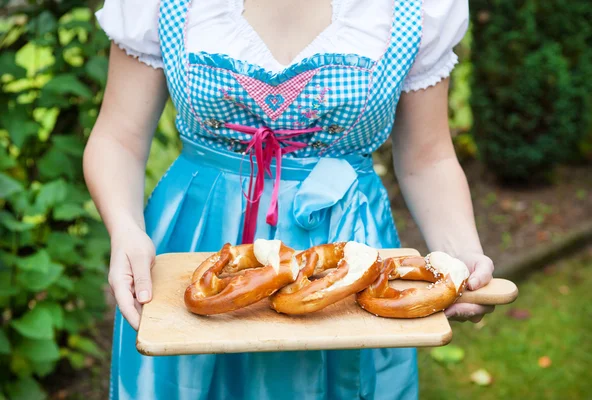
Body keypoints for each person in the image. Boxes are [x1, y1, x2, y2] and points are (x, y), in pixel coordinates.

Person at [84, 0, 495, 399]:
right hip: (192, 244)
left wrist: (460, 253)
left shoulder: (415, 7)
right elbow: (118, 137)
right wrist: (125, 229)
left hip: (345, 260)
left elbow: (428, 159)